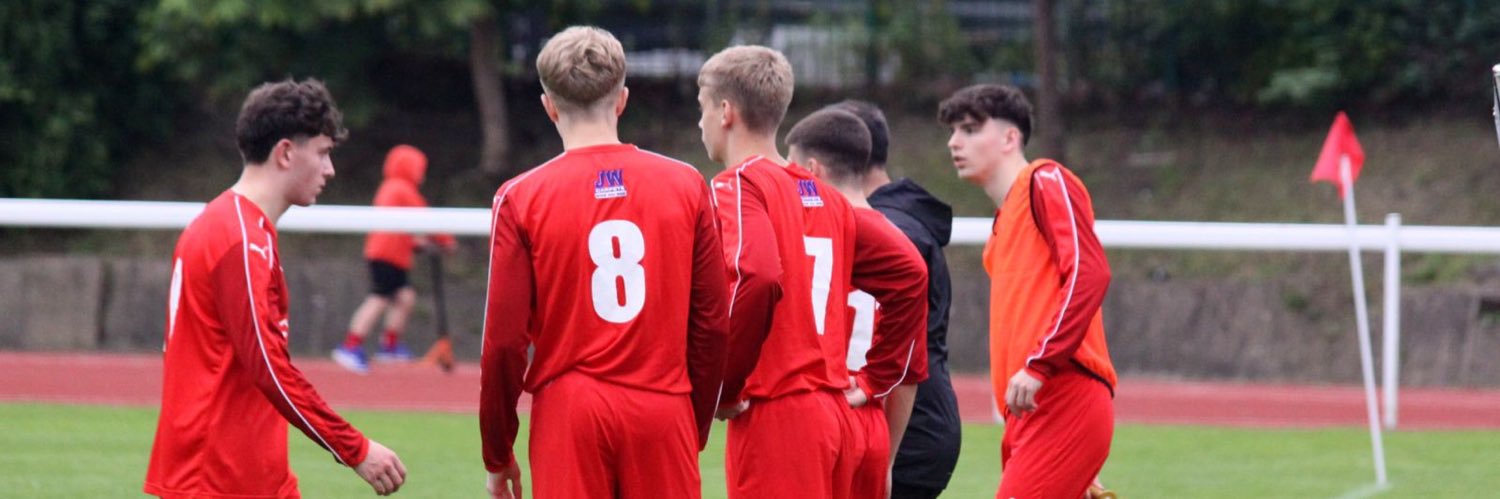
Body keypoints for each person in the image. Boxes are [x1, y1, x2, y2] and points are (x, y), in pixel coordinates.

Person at [478, 26, 729, 499]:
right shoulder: (687, 184)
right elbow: (713, 324)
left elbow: (504, 343)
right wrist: (687, 422)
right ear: (622, 100)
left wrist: (497, 451)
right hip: (662, 402)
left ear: (549, 106)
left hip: (570, 410)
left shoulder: (520, 197)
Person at [145, 78, 407, 498]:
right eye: (322, 153)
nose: (330, 169)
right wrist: (355, 449)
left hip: (249, 473)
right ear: (285, 152)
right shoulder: (238, 239)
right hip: (217, 478)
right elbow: (269, 367)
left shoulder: (236, 228)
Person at [696, 45, 926, 499]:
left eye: (700, 108)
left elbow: (757, 276)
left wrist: (724, 386)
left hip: (777, 415)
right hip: (836, 414)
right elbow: (911, 274)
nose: (698, 122)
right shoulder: (826, 197)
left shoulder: (738, 184)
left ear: (725, 112)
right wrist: (877, 377)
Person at [938, 83, 1116, 499]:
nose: (954, 142)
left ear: (1009, 137)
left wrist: (1040, 364)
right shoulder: (1002, 226)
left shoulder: (1046, 179)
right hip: (1030, 408)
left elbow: (1089, 273)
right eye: (953, 131)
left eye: (968, 129)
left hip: (1063, 393)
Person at [785, 108, 930, 499]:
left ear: (811, 170)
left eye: (791, 167)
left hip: (810, 414)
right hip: (868, 419)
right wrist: (888, 459)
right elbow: (908, 376)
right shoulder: (892, 246)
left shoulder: (810, 236)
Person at [826, 100, 962, 499]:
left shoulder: (887, 233)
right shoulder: (903, 223)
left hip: (905, 428)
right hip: (922, 422)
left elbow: (890, 346)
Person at [333, 144, 456, 374]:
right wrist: (445, 239)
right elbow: (423, 217)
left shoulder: (392, 188)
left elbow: (404, 227)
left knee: (405, 297)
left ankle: (389, 346)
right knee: (379, 298)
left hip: (393, 253)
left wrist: (420, 243)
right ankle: (350, 346)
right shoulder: (400, 188)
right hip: (386, 254)